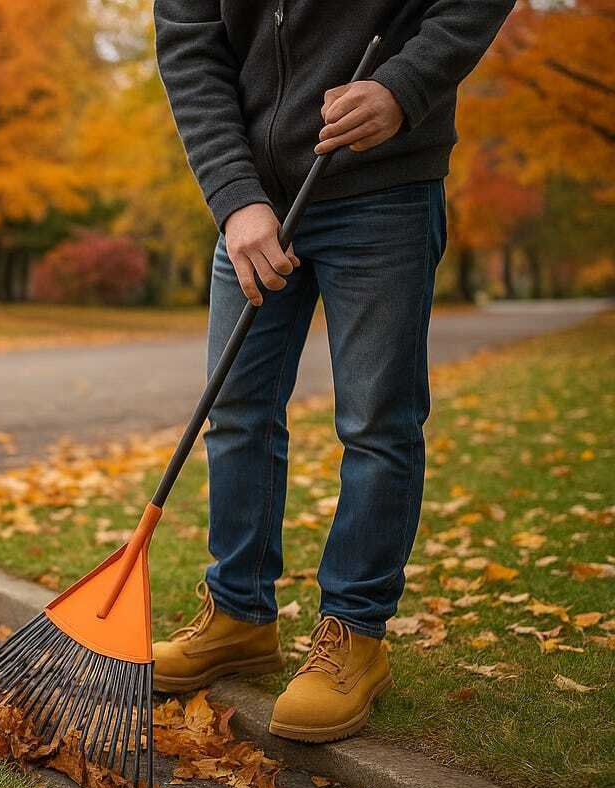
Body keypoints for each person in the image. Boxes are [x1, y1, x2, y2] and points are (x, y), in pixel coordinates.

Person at [150, 0, 513, 742]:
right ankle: (238, 614)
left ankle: (355, 632)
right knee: (238, 411)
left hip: (383, 189)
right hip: (256, 200)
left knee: (377, 420)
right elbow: (189, 46)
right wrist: (234, 198)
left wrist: (404, 88)